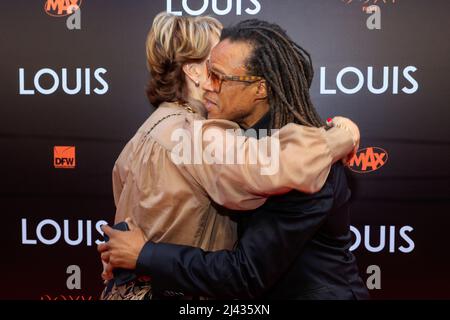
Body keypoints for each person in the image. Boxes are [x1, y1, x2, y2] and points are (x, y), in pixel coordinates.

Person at [99, 19, 369, 300]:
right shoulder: (207, 137)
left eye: (219, 76)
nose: (209, 85)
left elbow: (245, 273)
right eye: (210, 70)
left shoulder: (162, 130)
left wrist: (142, 255)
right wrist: (340, 137)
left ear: (260, 88)